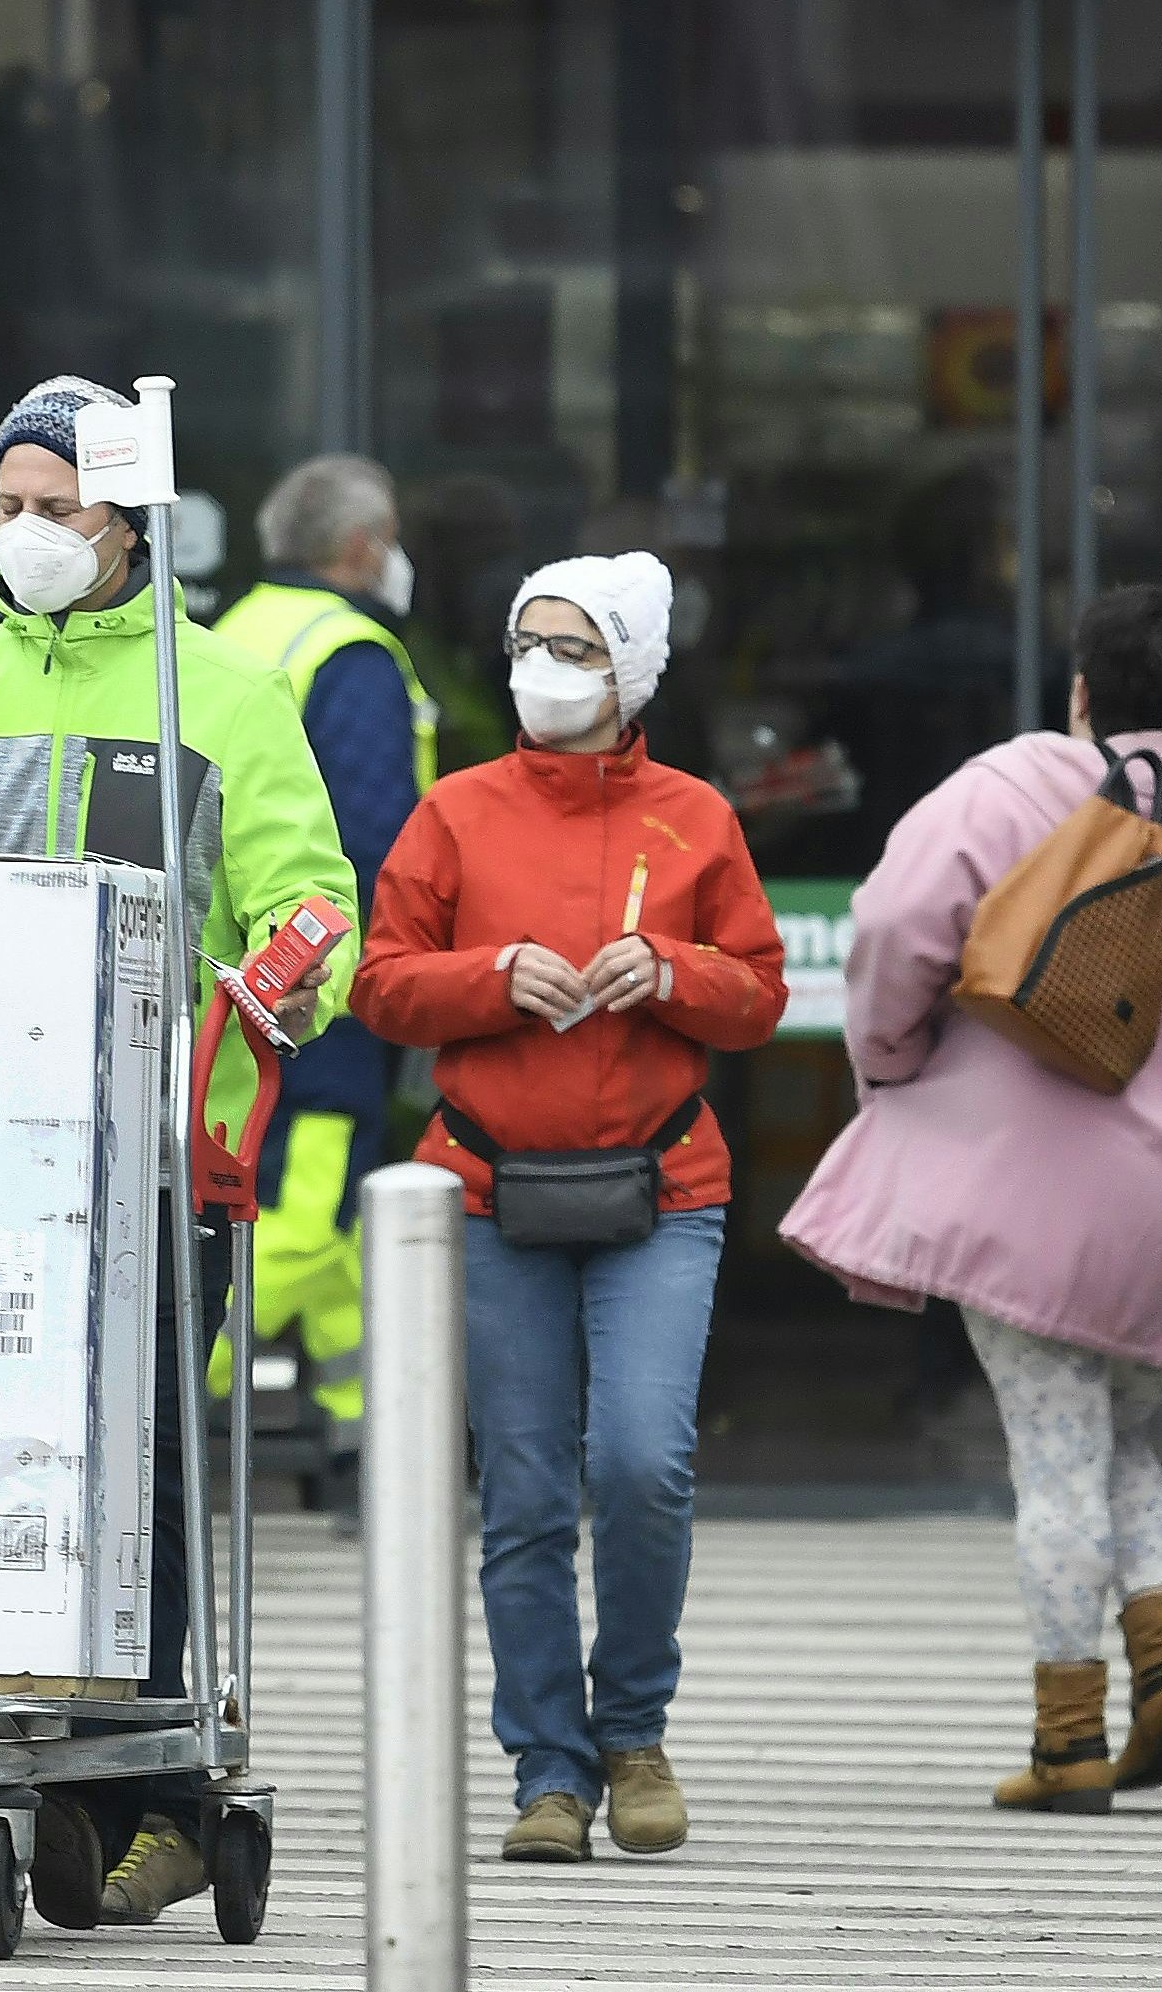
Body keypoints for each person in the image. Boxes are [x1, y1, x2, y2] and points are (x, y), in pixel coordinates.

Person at [0, 375, 361, 1929]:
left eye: (59, 509)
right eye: (12, 507)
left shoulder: (225, 700)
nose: (31, 533)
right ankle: (43, 1764)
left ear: (131, 521)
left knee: (134, 1458)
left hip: (146, 1157)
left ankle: (156, 1791)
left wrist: (285, 975)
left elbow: (309, 909)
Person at [781, 584, 1162, 1812]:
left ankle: (1067, 1739)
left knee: (1053, 1456)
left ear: (1079, 692)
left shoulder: (1011, 787)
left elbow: (898, 923)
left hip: (1048, 1194)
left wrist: (889, 1059)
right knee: (1112, 1433)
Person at [354, 551, 785, 1863]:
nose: (545, 668)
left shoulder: (696, 818)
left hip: (664, 1187)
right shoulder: (454, 814)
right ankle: (549, 1769)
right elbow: (380, 985)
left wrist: (664, 967)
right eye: (529, 642)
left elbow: (758, 994)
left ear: (632, 671)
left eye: (577, 647)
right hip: (487, 1190)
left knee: (640, 1465)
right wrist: (492, 978)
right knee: (527, 1490)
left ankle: (633, 1729)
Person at [209, 453, 433, 1527]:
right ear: (362, 547)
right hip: (320, 987)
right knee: (307, 1208)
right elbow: (376, 834)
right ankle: (167, 1383)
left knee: (320, 1216)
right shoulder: (352, 654)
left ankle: (354, 1441)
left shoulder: (233, 629)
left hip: (230, 971)